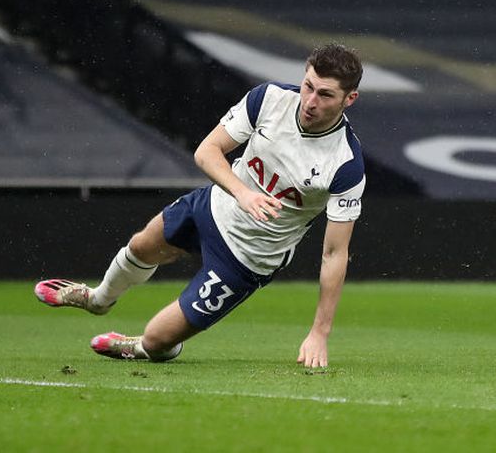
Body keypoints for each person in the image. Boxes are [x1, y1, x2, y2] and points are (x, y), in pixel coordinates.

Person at [35, 43, 366, 369]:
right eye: (308, 86)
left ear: (349, 99)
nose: (310, 101)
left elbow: (334, 254)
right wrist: (243, 193)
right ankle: (98, 300)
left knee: (156, 340)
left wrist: (319, 333)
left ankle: (147, 346)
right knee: (141, 245)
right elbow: (207, 151)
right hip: (212, 206)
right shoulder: (269, 99)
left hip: (248, 257)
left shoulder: (345, 163)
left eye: (325, 95)